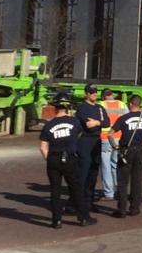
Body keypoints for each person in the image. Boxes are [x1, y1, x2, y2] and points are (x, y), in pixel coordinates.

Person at [39, 95, 95, 228]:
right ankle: (83, 218)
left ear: (55, 108)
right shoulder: (74, 122)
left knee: (55, 190)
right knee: (76, 188)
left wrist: (51, 159)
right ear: (68, 107)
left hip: (53, 158)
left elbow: (42, 147)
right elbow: (79, 135)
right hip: (69, 157)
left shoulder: (49, 124)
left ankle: (56, 220)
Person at [109, 94, 142, 217]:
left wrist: (115, 146)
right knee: (137, 179)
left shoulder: (123, 118)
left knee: (122, 181)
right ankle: (135, 208)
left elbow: (110, 134)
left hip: (126, 150)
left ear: (131, 104)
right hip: (140, 150)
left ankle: (122, 209)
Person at [75, 83, 108, 209]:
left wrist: (97, 122)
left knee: (93, 172)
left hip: (97, 141)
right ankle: (78, 201)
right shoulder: (82, 107)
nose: (94, 94)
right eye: (91, 92)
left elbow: (107, 122)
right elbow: (88, 125)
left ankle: (89, 201)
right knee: (83, 172)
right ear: (86, 94)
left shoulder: (99, 108)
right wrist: (98, 123)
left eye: (95, 92)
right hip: (85, 141)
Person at [98, 89, 127, 202]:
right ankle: (118, 190)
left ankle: (109, 193)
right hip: (119, 137)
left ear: (104, 96)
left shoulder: (101, 105)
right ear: (112, 95)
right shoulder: (121, 104)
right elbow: (127, 119)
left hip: (105, 138)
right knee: (115, 164)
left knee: (106, 166)